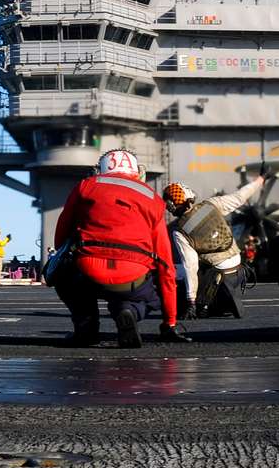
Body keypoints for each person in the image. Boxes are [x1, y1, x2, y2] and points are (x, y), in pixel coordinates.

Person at [50, 149, 188, 348]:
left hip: (89, 271)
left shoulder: (85, 186)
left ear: (101, 169)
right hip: (132, 277)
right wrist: (170, 322)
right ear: (137, 171)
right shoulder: (153, 199)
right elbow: (165, 264)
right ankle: (130, 310)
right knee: (150, 297)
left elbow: (60, 237)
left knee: (62, 274)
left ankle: (86, 328)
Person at [163, 176, 265, 319]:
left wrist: (190, 301)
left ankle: (208, 304)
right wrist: (259, 181)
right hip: (240, 273)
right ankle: (222, 301)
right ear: (189, 195)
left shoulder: (180, 231)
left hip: (216, 279)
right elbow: (240, 196)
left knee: (179, 280)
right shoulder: (211, 204)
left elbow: (190, 266)